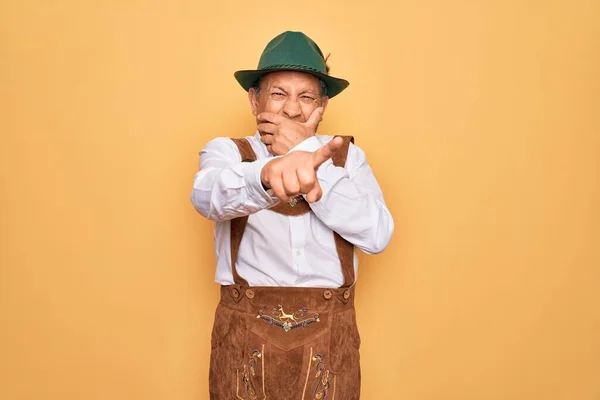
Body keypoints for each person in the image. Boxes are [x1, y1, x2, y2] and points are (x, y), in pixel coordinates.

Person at [191, 31, 394, 400]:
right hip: (242, 343)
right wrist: (268, 174)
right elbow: (207, 197)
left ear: (323, 104)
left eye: (306, 96)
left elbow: (377, 234)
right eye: (279, 94)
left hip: (332, 345)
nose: (292, 109)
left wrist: (307, 154)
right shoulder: (228, 152)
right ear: (255, 100)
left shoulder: (348, 159)